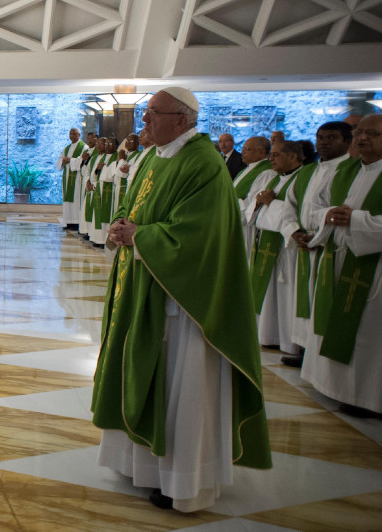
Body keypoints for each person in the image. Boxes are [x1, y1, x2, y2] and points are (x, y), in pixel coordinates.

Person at [93, 87, 271, 512]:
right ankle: (144, 467)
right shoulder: (156, 156)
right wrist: (123, 227)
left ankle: (185, 480)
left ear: (184, 119)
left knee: (182, 387)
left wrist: (142, 237)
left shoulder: (203, 163)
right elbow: (140, 210)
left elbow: (199, 235)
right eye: (146, 112)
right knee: (148, 374)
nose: (144, 122)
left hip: (183, 300)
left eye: (154, 113)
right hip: (145, 285)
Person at [303, 114, 382, 417]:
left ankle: (366, 397)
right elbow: (314, 211)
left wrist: (357, 220)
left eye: (372, 134)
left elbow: (355, 217)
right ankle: (331, 384)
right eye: (359, 132)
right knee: (332, 321)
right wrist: (328, 216)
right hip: (338, 257)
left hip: (372, 267)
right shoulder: (345, 170)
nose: (363, 138)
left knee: (365, 333)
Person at [273, 122, 352, 368]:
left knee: (322, 302)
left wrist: (316, 237)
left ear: (347, 141)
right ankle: (304, 349)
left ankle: (319, 357)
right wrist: (293, 231)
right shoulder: (307, 172)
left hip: (329, 247)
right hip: (304, 244)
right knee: (304, 299)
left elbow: (342, 210)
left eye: (332, 137)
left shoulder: (349, 170)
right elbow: (290, 206)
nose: (324, 142)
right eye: (320, 137)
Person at [250, 141, 304, 354]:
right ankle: (269, 335)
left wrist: (271, 202)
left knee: (286, 294)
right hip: (268, 241)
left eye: (276, 155)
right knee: (271, 293)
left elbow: (296, 213)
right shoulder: (275, 178)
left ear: (293, 156)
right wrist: (261, 202)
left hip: (288, 247)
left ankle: (289, 342)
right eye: (271, 155)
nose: (271, 159)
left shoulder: (301, 178)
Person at [236, 137, 274, 258]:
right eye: (243, 149)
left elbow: (254, 202)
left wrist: (228, 206)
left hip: (247, 228)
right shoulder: (244, 171)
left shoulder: (267, 172)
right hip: (235, 224)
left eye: (247, 149)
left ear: (261, 152)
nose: (242, 152)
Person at [57, 128, 86, 230]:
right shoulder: (67, 148)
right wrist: (63, 161)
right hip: (67, 177)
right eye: (70, 134)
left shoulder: (83, 147)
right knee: (68, 201)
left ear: (79, 135)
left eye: (74, 134)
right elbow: (59, 161)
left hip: (77, 178)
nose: (72, 136)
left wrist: (70, 160)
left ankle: (76, 222)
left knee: (76, 199)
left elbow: (83, 161)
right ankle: (68, 221)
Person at [78, 133, 99, 236]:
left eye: (93, 138)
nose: (90, 140)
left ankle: (89, 230)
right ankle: (84, 228)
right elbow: (83, 169)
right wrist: (83, 160)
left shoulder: (97, 153)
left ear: (97, 140)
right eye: (88, 138)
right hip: (86, 181)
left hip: (93, 183)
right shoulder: (85, 151)